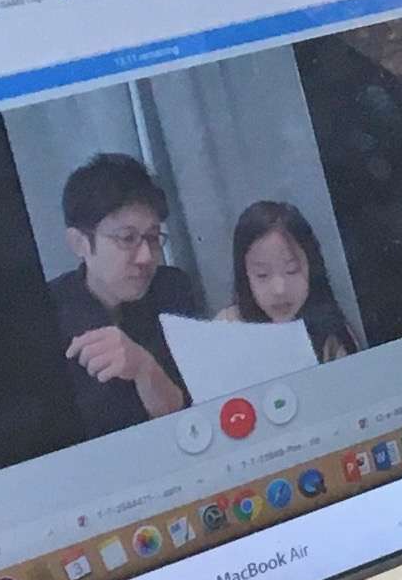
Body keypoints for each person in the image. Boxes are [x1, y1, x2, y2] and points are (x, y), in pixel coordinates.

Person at [47, 152, 196, 435]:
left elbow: (190, 416)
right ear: (79, 243)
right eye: (127, 238)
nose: (145, 256)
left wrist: (143, 368)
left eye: (152, 238)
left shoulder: (173, 290)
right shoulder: (48, 312)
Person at [222, 199, 361, 363]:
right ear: (245, 275)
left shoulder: (333, 335)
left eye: (292, 270)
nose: (279, 289)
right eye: (262, 274)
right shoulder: (227, 329)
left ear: (311, 266)